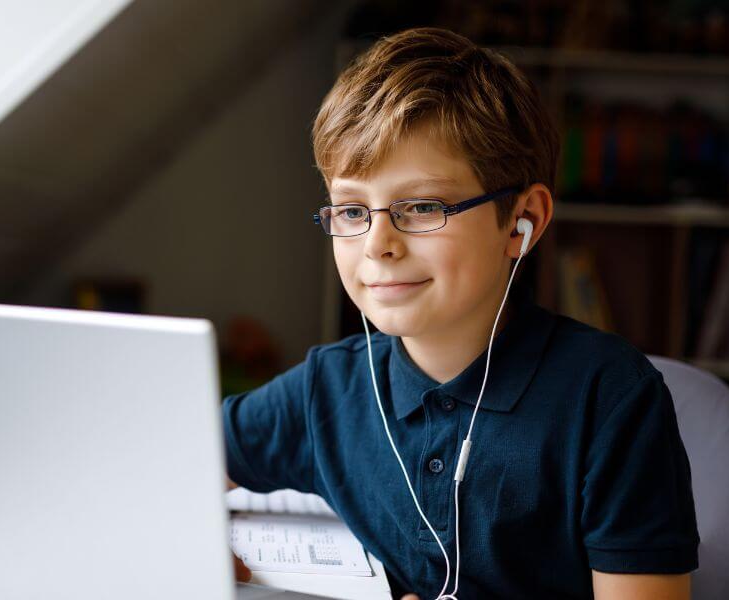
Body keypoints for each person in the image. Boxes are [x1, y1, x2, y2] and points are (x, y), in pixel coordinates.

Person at [223, 28, 699, 600]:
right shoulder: (328, 390)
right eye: (351, 210)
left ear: (521, 222)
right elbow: (166, 457)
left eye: (423, 206)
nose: (378, 244)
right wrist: (186, 538)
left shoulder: (609, 400)